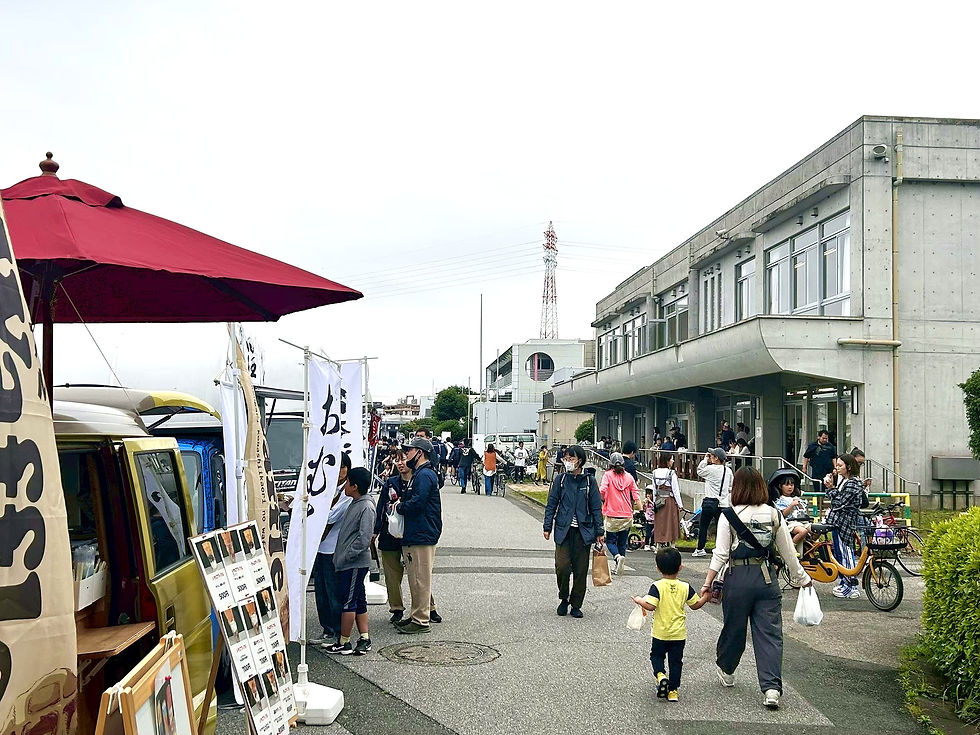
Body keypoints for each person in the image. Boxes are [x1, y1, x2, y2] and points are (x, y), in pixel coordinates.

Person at [701, 467, 811, 711]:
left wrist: (707, 583)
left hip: (737, 578)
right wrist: (803, 579)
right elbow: (788, 552)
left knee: (734, 628)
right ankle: (771, 688)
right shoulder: (774, 514)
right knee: (770, 633)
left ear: (737, 488)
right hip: (767, 581)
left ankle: (727, 670)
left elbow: (720, 554)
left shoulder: (729, 515)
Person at [631, 547, 709, 702]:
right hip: (678, 634)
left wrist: (639, 600)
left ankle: (660, 676)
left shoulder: (657, 586)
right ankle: (673, 690)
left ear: (658, 568)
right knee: (676, 661)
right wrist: (706, 597)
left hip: (660, 633)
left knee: (656, 656)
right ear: (680, 567)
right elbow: (695, 605)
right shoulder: (685, 587)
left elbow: (651, 606)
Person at [542, 445, 603, 619]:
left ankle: (576, 604)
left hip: (584, 532)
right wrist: (547, 526)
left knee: (580, 570)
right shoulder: (560, 480)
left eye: (571, 459)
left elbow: (596, 508)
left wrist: (599, 530)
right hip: (563, 530)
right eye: (566, 459)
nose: (567, 462)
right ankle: (563, 598)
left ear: (580, 461)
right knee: (561, 567)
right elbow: (551, 504)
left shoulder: (590, 482)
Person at [323, 467, 375, 655]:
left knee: (349, 602)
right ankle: (364, 638)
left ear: (354, 486)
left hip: (354, 563)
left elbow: (364, 537)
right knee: (359, 601)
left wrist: (346, 555)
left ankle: (344, 641)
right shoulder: (356, 502)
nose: (344, 485)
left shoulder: (366, 506)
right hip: (350, 562)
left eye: (347, 482)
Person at [395, 437, 443, 633]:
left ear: (419, 453)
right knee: (415, 577)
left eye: (409, 451)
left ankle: (421, 619)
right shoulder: (421, 473)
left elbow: (417, 503)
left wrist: (400, 506)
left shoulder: (424, 475)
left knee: (421, 578)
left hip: (423, 532)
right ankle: (417, 614)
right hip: (417, 532)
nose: (406, 455)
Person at [310, 453, 353, 644]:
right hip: (318, 547)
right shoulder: (325, 487)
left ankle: (336, 631)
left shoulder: (348, 492)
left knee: (333, 591)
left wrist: (317, 512)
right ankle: (326, 628)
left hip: (334, 548)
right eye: (337, 467)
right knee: (320, 591)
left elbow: (331, 517)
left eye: (344, 467)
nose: (340, 471)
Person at [374, 450, 409, 624]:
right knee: (391, 575)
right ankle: (396, 608)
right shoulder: (390, 483)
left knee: (418, 574)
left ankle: (428, 607)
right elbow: (381, 505)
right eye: (397, 460)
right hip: (389, 533)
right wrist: (376, 529)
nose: (400, 463)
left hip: (411, 534)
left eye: (403, 459)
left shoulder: (419, 481)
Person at [825, 453, 865, 599]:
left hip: (845, 522)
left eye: (840, 465)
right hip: (839, 522)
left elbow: (839, 502)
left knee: (846, 553)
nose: (837, 468)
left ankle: (851, 586)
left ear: (848, 467)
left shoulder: (852, 482)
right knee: (840, 553)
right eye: (837, 465)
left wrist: (830, 488)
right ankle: (844, 582)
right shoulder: (846, 481)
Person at [599, 452, 641, 576]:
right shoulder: (629, 477)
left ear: (610, 464)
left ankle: (617, 558)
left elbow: (602, 490)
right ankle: (619, 565)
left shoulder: (607, 475)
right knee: (622, 542)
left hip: (612, 514)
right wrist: (641, 510)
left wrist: (603, 499)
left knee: (611, 541)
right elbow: (636, 495)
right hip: (627, 514)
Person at [693, 448, 732, 557]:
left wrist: (705, 459)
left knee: (704, 526)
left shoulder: (710, 469)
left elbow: (699, 471)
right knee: (722, 527)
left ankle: (700, 548)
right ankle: (721, 548)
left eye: (712, 456)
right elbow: (731, 485)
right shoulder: (728, 470)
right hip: (723, 503)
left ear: (716, 458)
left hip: (710, 502)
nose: (710, 457)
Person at [770, 470, 810, 546]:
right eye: (787, 485)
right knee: (803, 531)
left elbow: (803, 511)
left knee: (817, 529)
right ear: (780, 486)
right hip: (789, 522)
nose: (790, 487)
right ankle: (791, 548)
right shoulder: (780, 500)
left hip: (802, 521)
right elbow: (782, 514)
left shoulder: (796, 498)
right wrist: (791, 505)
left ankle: (809, 547)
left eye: (792, 485)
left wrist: (799, 505)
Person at [652, 453, 683, 548]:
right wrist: (680, 504)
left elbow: (654, 489)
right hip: (669, 500)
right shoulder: (671, 473)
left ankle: (658, 545)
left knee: (660, 523)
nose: (673, 461)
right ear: (667, 461)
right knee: (671, 522)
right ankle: (672, 544)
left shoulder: (655, 472)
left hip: (658, 500)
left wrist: (654, 502)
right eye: (672, 459)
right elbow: (675, 490)